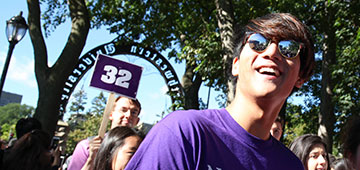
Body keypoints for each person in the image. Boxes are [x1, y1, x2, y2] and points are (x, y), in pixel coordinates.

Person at [125, 13, 315, 170]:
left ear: (301, 77)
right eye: (258, 42)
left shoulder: (291, 166)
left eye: (288, 49)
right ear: (236, 65)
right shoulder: (184, 133)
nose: (271, 52)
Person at [68, 96, 141, 170]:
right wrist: (91, 160)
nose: (128, 115)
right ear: (111, 115)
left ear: (137, 121)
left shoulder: (140, 148)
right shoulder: (87, 147)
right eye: (123, 110)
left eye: (134, 112)